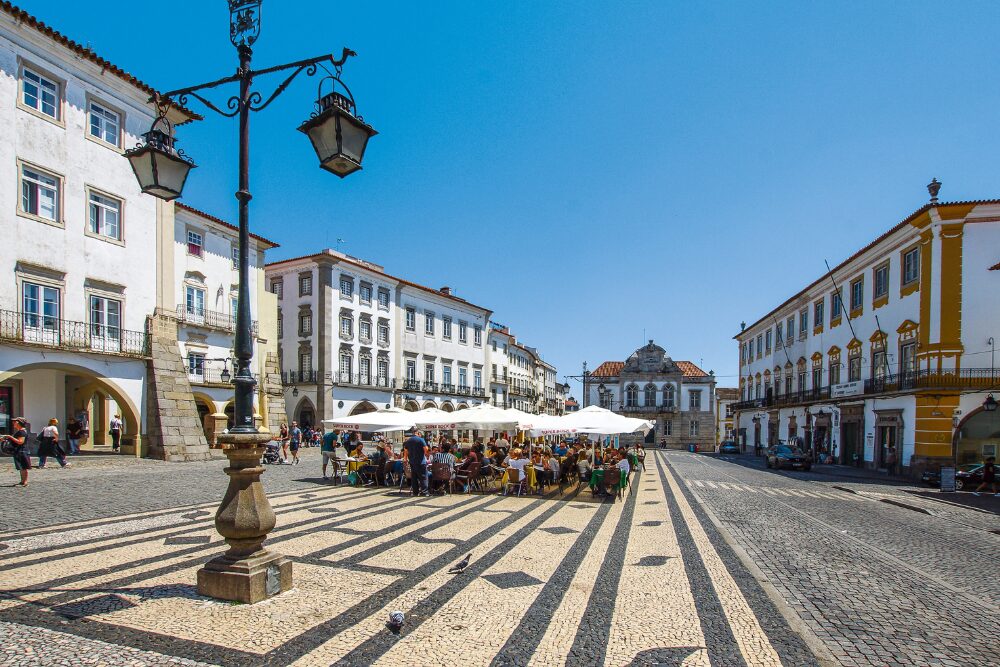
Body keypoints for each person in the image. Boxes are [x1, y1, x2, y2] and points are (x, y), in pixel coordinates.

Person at [3, 418, 31, 486]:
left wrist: (10, 437)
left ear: (18, 423)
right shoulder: (20, 431)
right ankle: (22, 481)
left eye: (15, 422)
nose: (13, 423)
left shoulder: (22, 432)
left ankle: (24, 482)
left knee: (23, 467)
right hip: (20, 451)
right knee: (21, 467)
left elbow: (20, 442)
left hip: (21, 451)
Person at [404, 430, 429, 496]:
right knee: (423, 477)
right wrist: (426, 452)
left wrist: (405, 459)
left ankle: (415, 492)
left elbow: (406, 451)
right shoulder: (421, 440)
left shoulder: (408, 441)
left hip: (412, 461)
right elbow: (426, 449)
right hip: (421, 461)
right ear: (418, 433)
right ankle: (424, 492)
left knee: (414, 477)